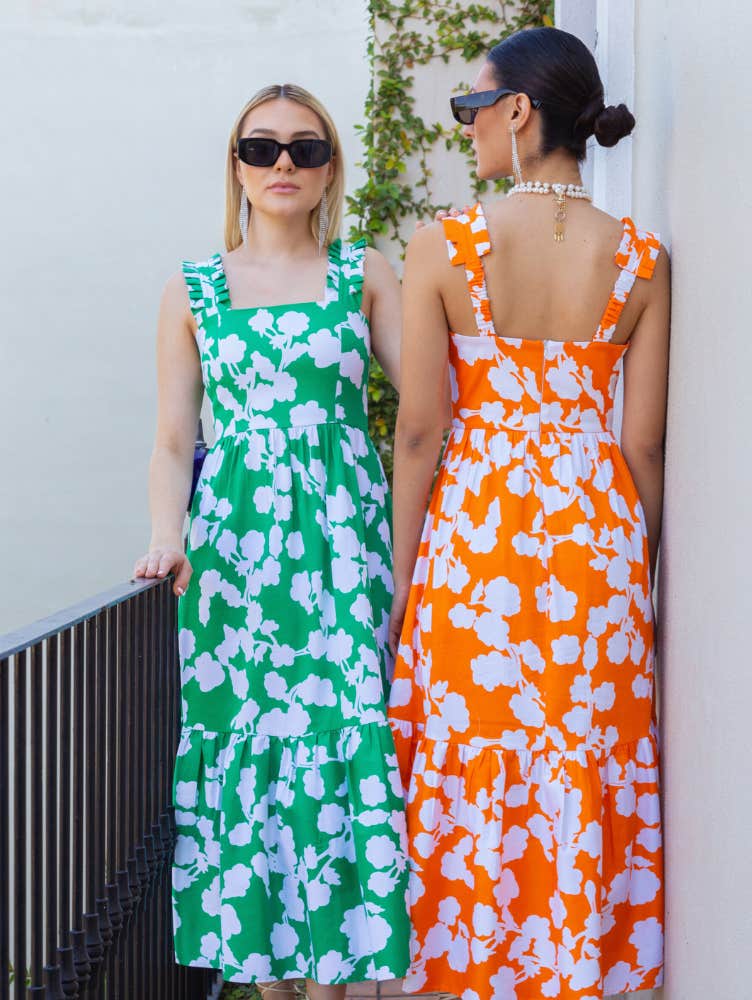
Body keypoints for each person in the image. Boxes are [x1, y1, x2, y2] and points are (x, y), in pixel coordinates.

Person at [387, 27, 670, 1000]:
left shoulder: (445, 243)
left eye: (471, 108)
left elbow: (419, 433)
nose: (466, 128)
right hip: (595, 542)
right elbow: (643, 446)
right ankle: (569, 970)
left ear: (518, 112)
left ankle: (471, 971)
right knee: (577, 760)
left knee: (479, 764)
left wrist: (399, 584)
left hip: (478, 542)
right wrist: (643, 570)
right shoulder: (638, 256)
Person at [134, 83, 410, 1000]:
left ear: (330, 166)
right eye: (261, 149)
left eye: (304, 147)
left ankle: (332, 983)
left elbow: (430, 417)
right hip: (235, 560)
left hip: (344, 547)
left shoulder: (362, 274)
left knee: (336, 744)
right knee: (248, 749)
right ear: (238, 167)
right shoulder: (195, 285)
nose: (282, 164)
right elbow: (175, 440)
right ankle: (270, 985)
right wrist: (165, 539)